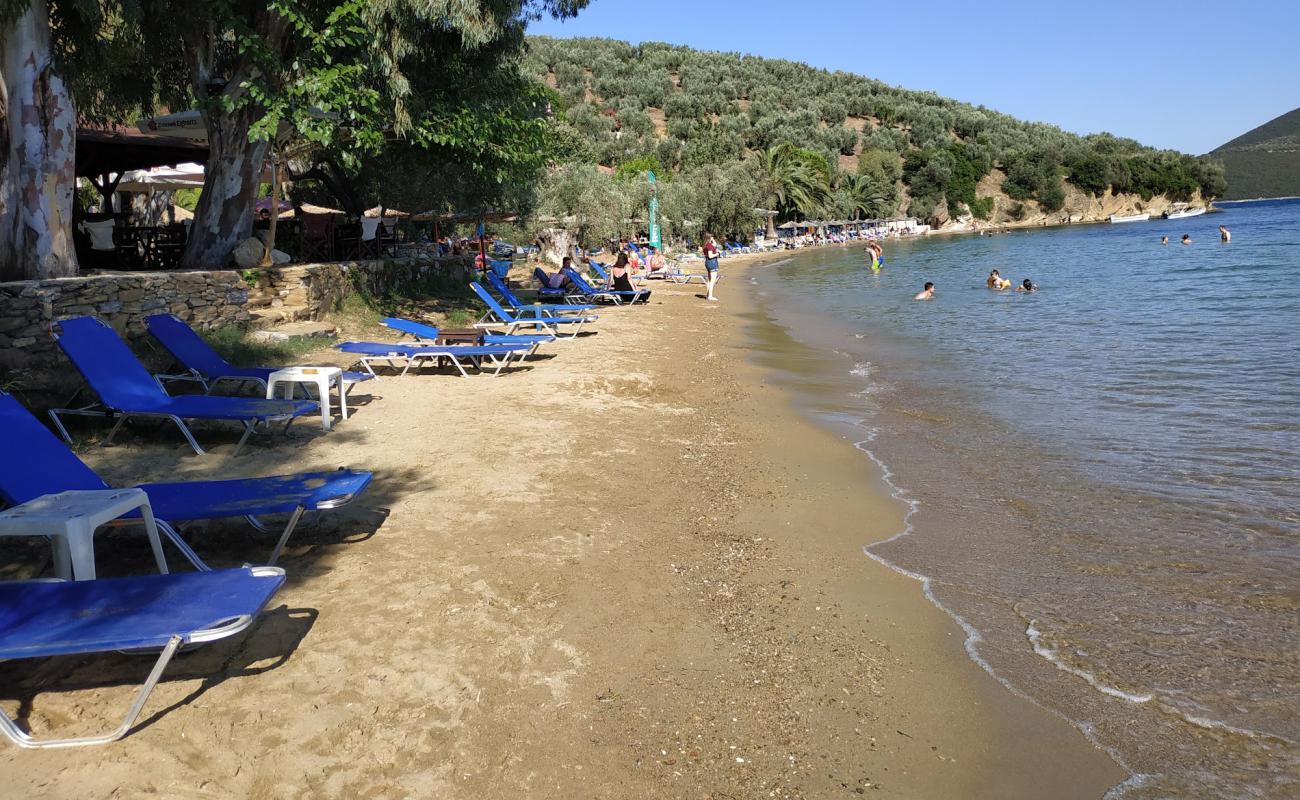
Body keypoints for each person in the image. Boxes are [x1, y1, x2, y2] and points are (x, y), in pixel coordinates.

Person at [702, 232, 721, 301]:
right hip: (712, 262)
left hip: (707, 262)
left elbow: (715, 245)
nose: (713, 238)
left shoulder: (705, 245)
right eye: (712, 237)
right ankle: (710, 296)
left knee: (709, 280)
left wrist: (714, 243)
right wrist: (717, 254)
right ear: (710, 238)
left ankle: (708, 295)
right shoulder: (709, 245)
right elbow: (710, 255)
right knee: (712, 281)